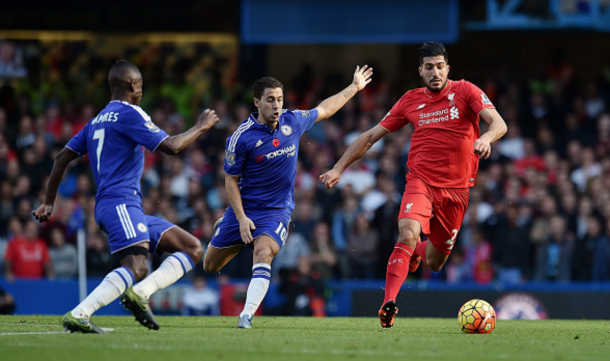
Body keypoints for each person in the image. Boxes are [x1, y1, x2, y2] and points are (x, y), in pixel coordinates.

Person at [320, 42, 508, 329]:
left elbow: (499, 123)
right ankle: (388, 303)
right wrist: (338, 167)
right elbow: (370, 137)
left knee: (434, 262)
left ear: (448, 68)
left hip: (456, 192)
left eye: (440, 66)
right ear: (420, 71)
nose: (435, 72)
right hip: (421, 182)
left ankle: (418, 254)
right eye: (429, 67)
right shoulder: (409, 101)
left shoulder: (466, 91)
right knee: (407, 233)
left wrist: (485, 138)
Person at [32, 60, 219, 334]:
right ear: (133, 85)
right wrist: (201, 126)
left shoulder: (95, 122)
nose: (142, 90)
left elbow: (61, 157)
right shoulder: (131, 114)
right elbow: (171, 146)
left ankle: (139, 294)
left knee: (191, 247)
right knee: (138, 265)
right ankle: (80, 313)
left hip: (122, 206)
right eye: (140, 85)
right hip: (120, 203)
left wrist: (49, 201)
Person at [203, 65, 373, 328]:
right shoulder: (240, 138)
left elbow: (325, 109)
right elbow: (230, 181)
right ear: (257, 102)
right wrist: (240, 218)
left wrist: (355, 87)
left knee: (263, 252)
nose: (277, 105)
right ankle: (233, 234)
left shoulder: (292, 121)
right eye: (270, 99)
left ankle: (246, 316)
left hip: (277, 211)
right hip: (245, 210)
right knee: (210, 266)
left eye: (280, 99)